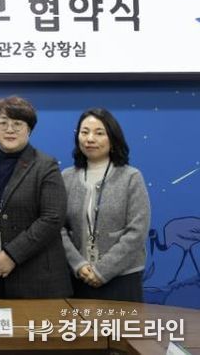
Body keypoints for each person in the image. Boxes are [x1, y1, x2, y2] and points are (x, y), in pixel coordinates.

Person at [0, 96, 72, 298]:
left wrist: (12, 254)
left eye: (18, 124)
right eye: (3, 123)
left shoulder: (45, 165)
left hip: (37, 276)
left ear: (29, 129)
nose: (10, 129)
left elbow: (52, 218)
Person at [61, 108, 150, 302]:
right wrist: (78, 265)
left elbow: (137, 231)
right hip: (77, 278)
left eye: (99, 133)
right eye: (84, 132)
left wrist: (103, 271)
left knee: (120, 324)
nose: (90, 139)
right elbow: (58, 228)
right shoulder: (66, 177)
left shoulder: (131, 177)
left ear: (113, 138)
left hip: (122, 278)